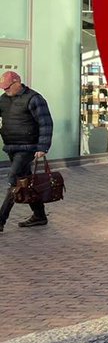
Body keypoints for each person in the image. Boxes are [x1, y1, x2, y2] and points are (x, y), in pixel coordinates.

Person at [0, 71, 54, 231]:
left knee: (14, 179)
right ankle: (39, 216)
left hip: (28, 147)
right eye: (3, 88)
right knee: (25, 181)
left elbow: (46, 123)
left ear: (18, 82)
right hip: (11, 146)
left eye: (8, 87)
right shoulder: (3, 99)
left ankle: (1, 220)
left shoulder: (34, 98)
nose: (6, 90)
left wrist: (43, 147)